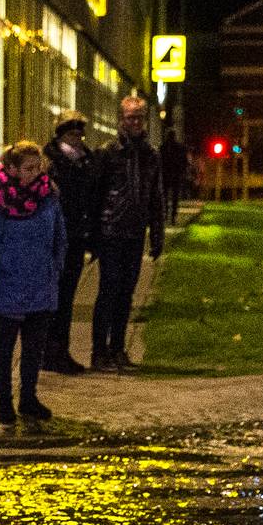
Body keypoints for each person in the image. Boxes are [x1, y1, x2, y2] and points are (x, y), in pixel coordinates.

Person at [0, 141, 65, 426]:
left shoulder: (49, 197)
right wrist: (11, 266)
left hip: (41, 286)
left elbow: (59, 237)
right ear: (13, 169)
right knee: (4, 349)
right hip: (9, 285)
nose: (35, 172)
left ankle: (28, 398)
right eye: (28, 168)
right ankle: (4, 401)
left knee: (34, 349)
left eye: (37, 167)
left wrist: (54, 268)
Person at [88, 95, 166, 371]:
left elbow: (156, 198)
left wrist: (157, 235)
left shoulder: (150, 155)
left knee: (126, 293)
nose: (134, 122)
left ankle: (117, 349)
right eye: (130, 117)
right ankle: (99, 352)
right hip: (110, 232)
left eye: (139, 117)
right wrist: (94, 236)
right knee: (108, 291)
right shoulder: (108, 152)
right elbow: (95, 195)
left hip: (134, 233)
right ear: (121, 119)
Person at [40, 113, 95, 374]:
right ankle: (51, 351)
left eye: (79, 134)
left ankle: (58, 350)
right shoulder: (50, 161)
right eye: (72, 134)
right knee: (55, 298)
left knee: (66, 297)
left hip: (75, 237)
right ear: (61, 134)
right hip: (54, 238)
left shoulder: (85, 160)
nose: (77, 138)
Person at [158, 128, 193, 225]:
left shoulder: (163, 147)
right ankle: (173, 216)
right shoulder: (180, 148)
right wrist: (183, 172)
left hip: (165, 174)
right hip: (176, 175)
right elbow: (184, 162)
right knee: (175, 197)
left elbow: (159, 161)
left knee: (164, 196)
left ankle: (165, 214)